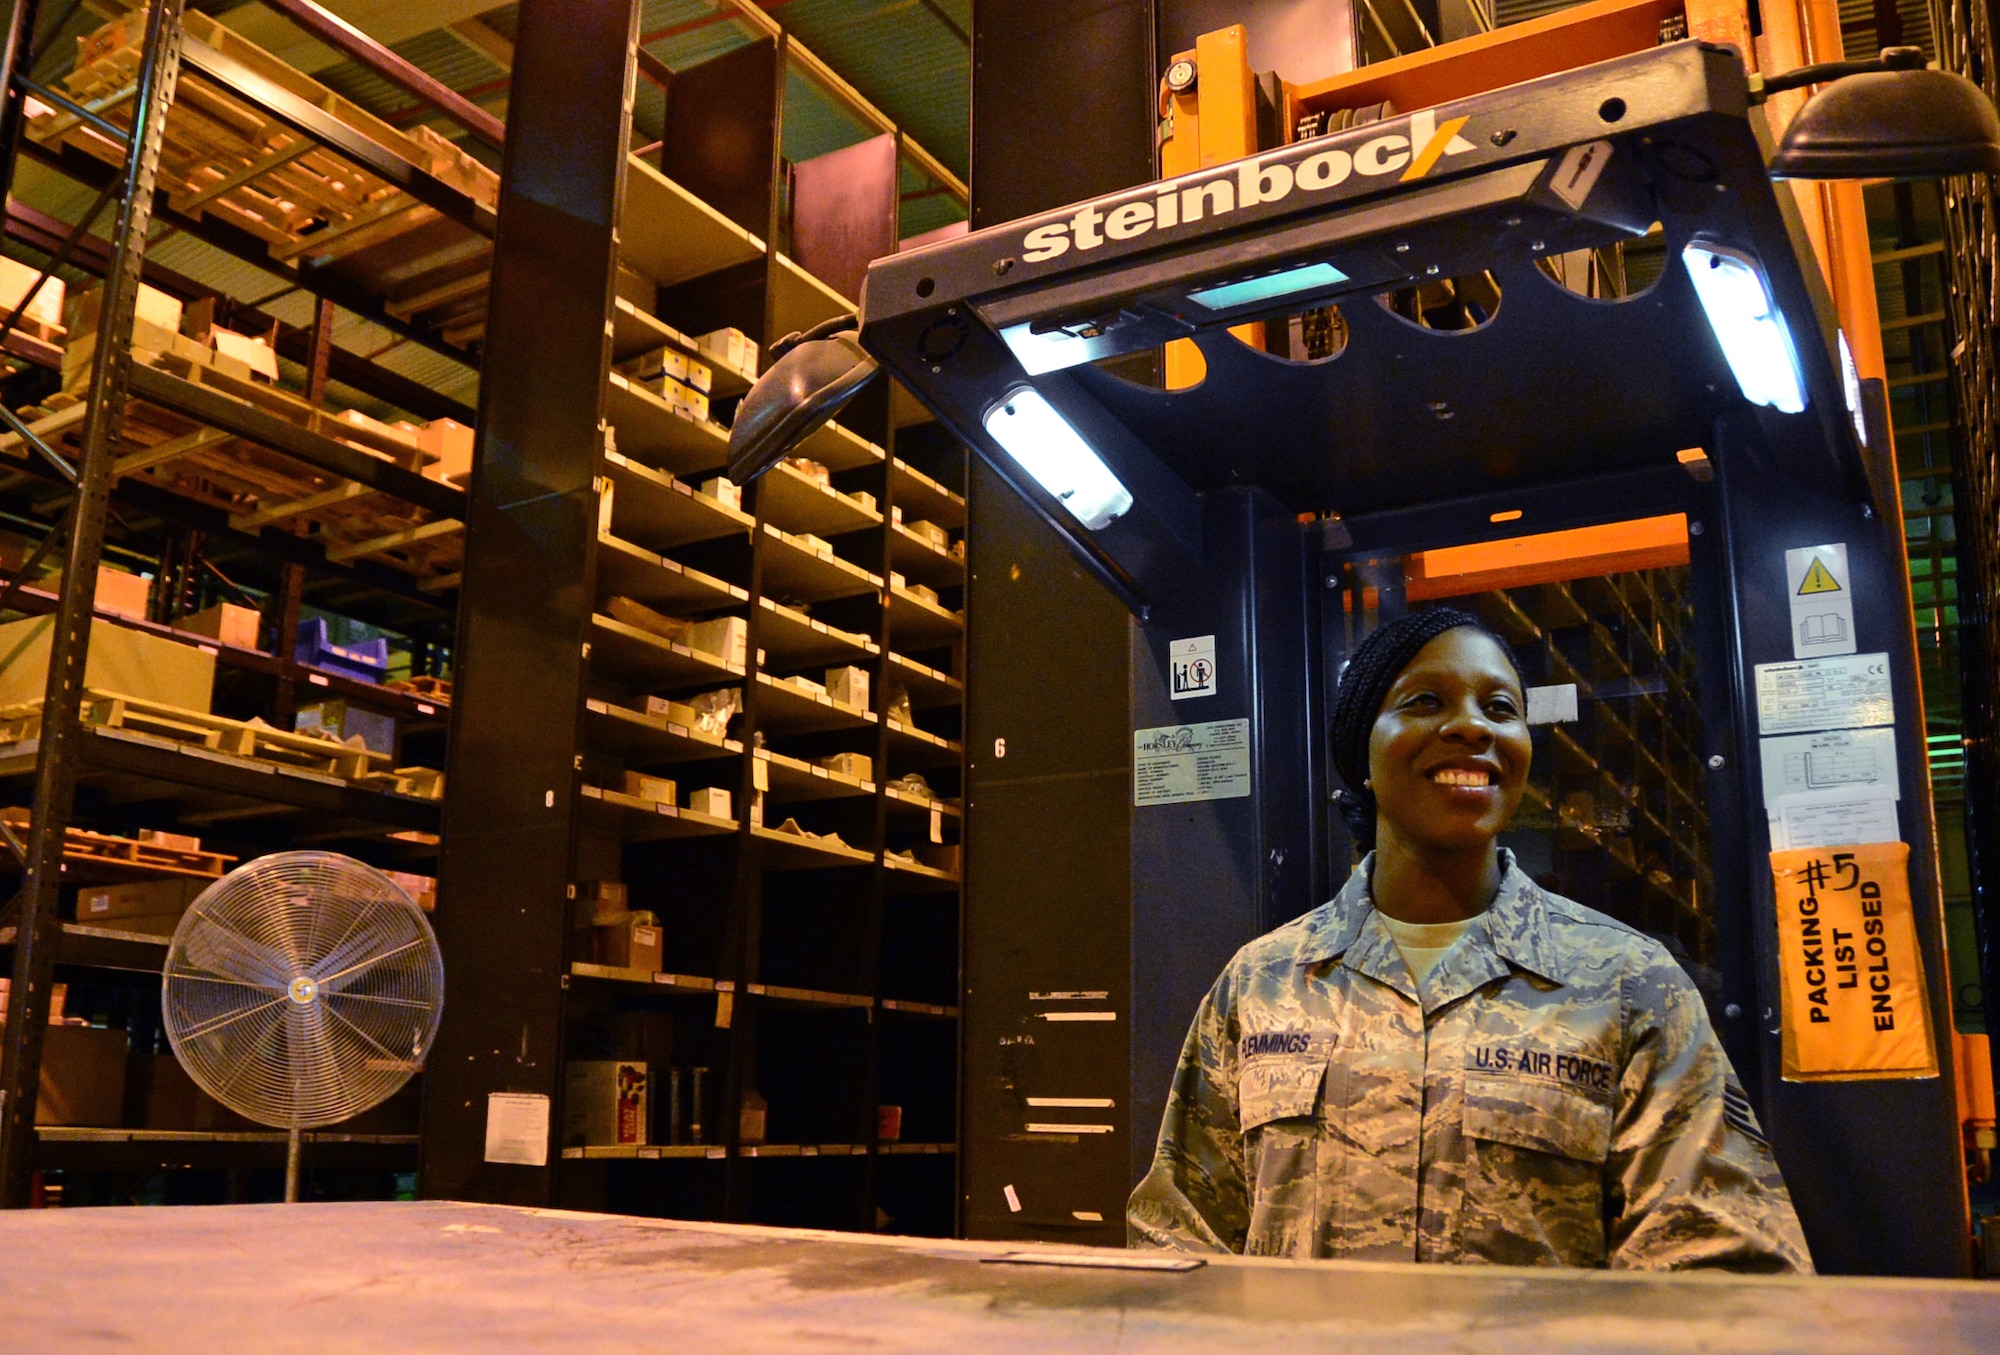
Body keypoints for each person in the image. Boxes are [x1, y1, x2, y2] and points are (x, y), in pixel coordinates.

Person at [1127, 606, 1810, 1270]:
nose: (1471, 726)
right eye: (1425, 700)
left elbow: (1724, 1268)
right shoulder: (1265, 982)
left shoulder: (1628, 983)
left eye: (1501, 709)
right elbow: (1178, 1244)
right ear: (1362, 751)